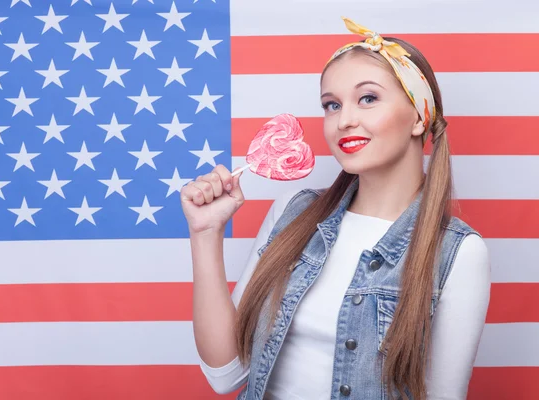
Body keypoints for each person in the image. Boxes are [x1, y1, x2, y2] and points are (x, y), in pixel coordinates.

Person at [180, 16, 491, 400]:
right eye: (331, 104)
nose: (344, 120)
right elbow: (225, 374)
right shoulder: (293, 214)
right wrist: (205, 234)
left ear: (418, 116)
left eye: (368, 98)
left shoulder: (456, 252)